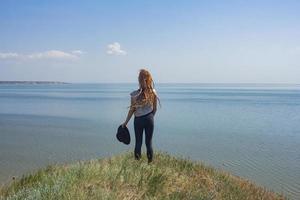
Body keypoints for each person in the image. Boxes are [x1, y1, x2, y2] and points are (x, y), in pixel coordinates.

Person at [122, 69, 160, 163]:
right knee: (149, 143)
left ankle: (137, 164)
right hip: (149, 119)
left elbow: (132, 110)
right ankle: (150, 164)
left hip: (138, 120)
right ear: (149, 79)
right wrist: (150, 118)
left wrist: (125, 122)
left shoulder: (134, 94)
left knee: (138, 142)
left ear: (139, 80)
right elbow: (155, 109)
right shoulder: (153, 92)